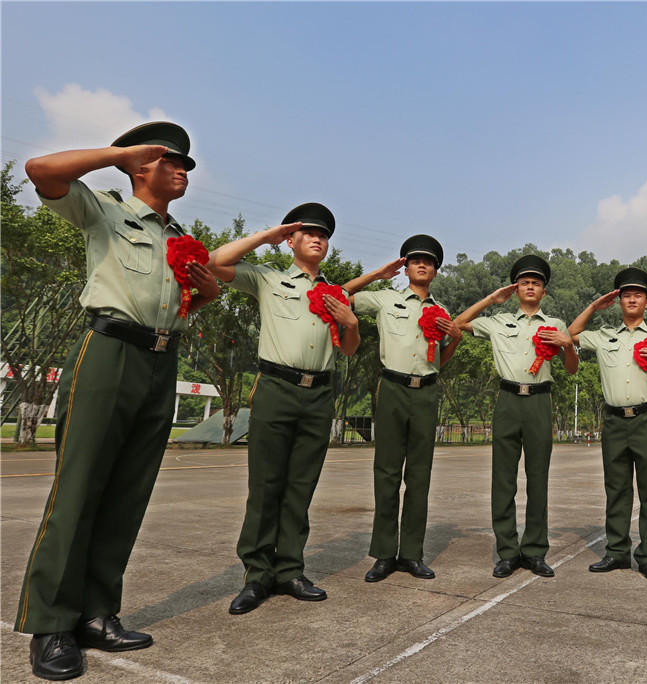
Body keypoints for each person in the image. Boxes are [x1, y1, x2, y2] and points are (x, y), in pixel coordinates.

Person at [15, 122, 219, 680]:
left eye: (186, 164)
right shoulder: (106, 210)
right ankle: (52, 624)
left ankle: (98, 614)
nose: (183, 171)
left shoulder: (178, 236)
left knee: (129, 492)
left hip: (160, 359)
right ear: (140, 166)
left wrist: (206, 292)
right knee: (79, 489)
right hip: (109, 351)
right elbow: (40, 172)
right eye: (170, 161)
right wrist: (119, 155)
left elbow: (183, 305)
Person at [207, 203, 359, 615]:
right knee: (266, 486)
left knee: (300, 487)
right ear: (290, 239)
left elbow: (348, 348)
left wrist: (352, 322)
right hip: (276, 387)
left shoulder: (338, 294)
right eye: (307, 232)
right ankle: (256, 575)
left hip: (319, 394)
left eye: (324, 235)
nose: (317, 239)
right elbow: (215, 262)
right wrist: (265, 236)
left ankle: (290, 569)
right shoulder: (268, 278)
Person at [342, 235, 462, 582]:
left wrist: (453, 337)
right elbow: (339, 296)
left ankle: (411, 554)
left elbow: (441, 360)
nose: (422, 264)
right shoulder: (385, 300)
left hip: (426, 392)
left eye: (429, 261)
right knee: (387, 473)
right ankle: (383, 553)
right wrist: (377, 275)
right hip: (392, 388)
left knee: (420, 476)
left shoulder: (440, 312)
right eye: (415, 260)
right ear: (405, 267)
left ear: (436, 271)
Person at [455, 255, 578, 578]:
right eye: (524, 282)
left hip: (539, 401)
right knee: (503, 480)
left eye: (536, 283)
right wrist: (491, 300)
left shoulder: (556, 325)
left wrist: (567, 345)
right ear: (515, 288)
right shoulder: (497, 321)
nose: (530, 287)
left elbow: (572, 368)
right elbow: (457, 323)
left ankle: (535, 550)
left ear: (544, 291)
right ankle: (507, 551)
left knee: (538, 480)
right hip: (508, 399)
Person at [568, 268, 647, 582]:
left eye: (638, 295)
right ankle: (617, 552)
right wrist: (593, 307)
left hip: (645, 418)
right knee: (616, 489)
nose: (632, 299)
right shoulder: (604, 335)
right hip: (614, 421)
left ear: (646, 301)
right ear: (618, 301)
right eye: (626, 295)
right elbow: (572, 334)